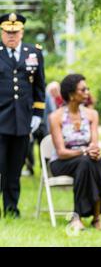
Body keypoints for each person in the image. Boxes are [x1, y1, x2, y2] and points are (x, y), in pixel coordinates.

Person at [49, 74, 101, 231]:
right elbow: (61, 152)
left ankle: (80, 218)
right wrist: (85, 151)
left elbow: (94, 144)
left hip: (84, 162)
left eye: (87, 89)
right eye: (83, 89)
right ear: (71, 94)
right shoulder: (55, 117)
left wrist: (94, 151)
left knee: (95, 161)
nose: (87, 92)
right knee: (87, 161)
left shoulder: (92, 115)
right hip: (61, 162)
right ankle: (93, 218)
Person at [0, 12, 45, 218]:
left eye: (15, 32)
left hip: (22, 123)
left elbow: (39, 87)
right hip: (0, 122)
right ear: (1, 32)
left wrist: (37, 115)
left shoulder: (33, 53)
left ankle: (11, 208)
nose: (11, 36)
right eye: (7, 32)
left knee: (15, 170)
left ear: (22, 32)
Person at [23, 81, 61, 176]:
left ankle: (45, 170)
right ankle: (30, 168)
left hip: (43, 125)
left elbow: (52, 111)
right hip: (30, 126)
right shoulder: (27, 92)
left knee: (44, 147)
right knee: (28, 148)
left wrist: (51, 128)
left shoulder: (46, 95)